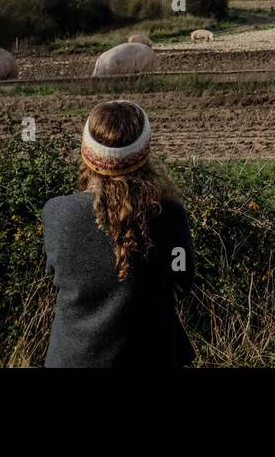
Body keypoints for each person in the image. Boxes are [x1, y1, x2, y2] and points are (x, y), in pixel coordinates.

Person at [43, 100, 194, 367]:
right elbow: (182, 279)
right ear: (145, 153)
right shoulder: (170, 215)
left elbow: (55, 278)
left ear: (86, 152)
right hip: (149, 358)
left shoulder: (57, 213)